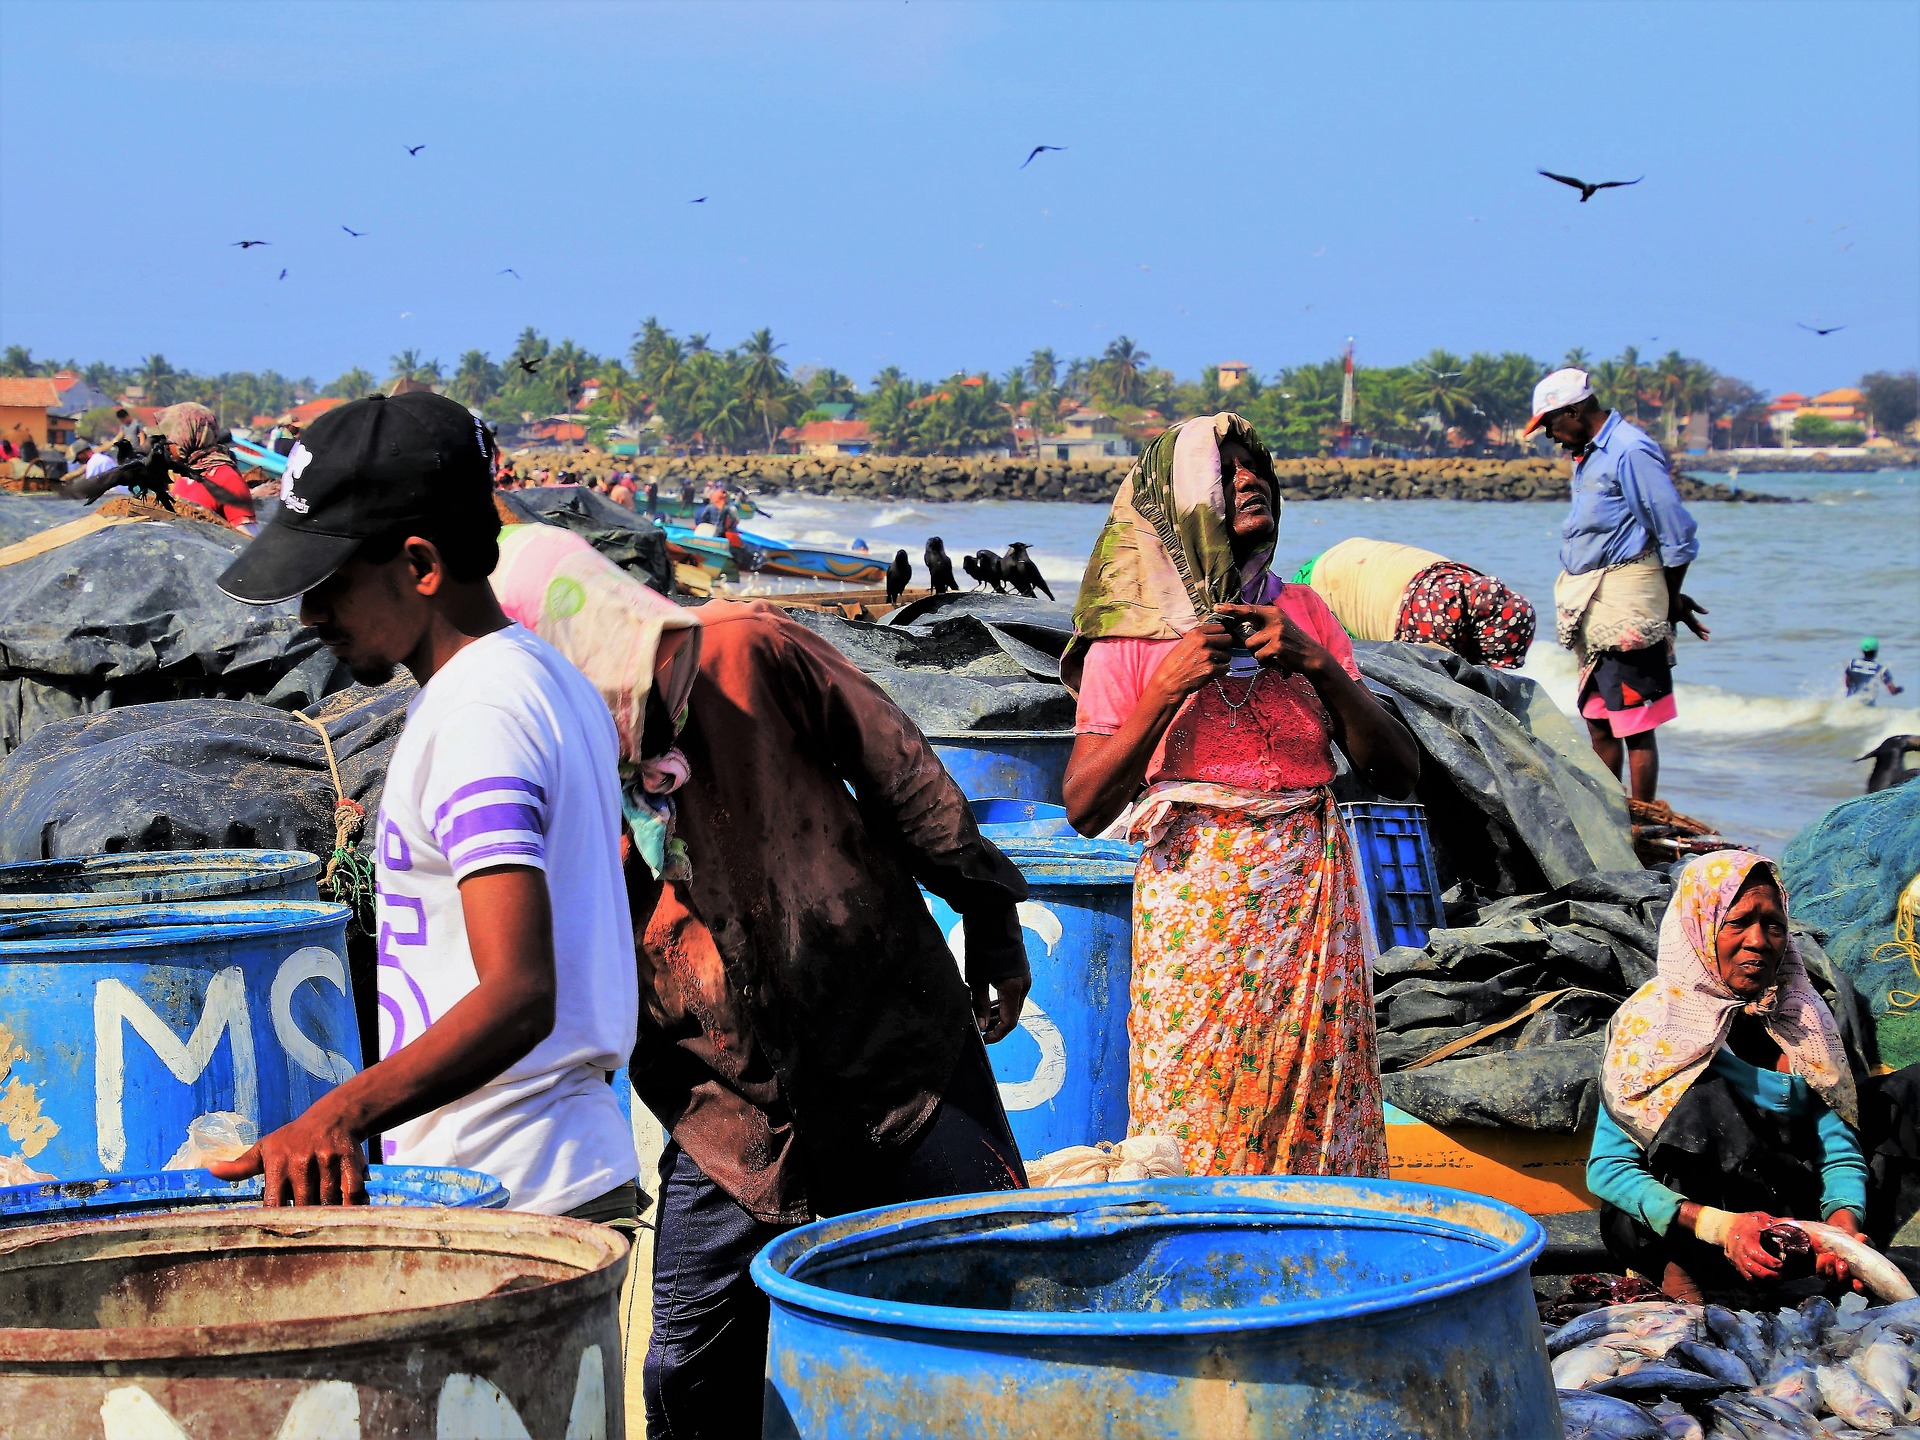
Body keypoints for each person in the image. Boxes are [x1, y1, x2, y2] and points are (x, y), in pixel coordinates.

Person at [492, 528, 1033, 1439]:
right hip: (730, 1103)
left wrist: (989, 914)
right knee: (686, 1375)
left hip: (892, 1040)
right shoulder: (552, 761)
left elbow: (903, 776)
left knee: (990, 1295)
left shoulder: (747, 647)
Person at [207, 392, 642, 1234]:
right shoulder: (544, 678)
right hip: (550, 1174)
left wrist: (338, 1116)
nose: (309, 613)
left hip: (515, 1196)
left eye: (329, 582)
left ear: (420, 565)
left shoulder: (479, 714)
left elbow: (520, 992)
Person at [1060, 413, 1420, 1179]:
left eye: (1256, 468)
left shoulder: (1309, 615)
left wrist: (1314, 663)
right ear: (1178, 505)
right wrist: (1166, 687)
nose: (1249, 481)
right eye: (1223, 475)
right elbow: (1086, 806)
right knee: (1194, 1102)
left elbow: (1398, 773)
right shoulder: (1130, 637)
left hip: (1310, 903)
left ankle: (1319, 1268)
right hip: (1197, 918)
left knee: (1320, 1099)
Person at [1589, 850, 1876, 1303]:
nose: (1759, 941)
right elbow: (1608, 1170)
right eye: (1738, 923)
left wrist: (1841, 1231)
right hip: (1692, 1226)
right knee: (1700, 1093)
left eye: (1774, 925)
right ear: (1700, 928)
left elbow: (1837, 1151)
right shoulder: (1651, 1030)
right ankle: (1682, 1273)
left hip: (1780, 1227)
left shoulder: (1803, 1024)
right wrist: (1722, 1228)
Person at [1531, 368, 1709, 804]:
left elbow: (1676, 531)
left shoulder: (1629, 450)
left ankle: (1644, 815)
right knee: (1599, 718)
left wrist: (1670, 599)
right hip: (1594, 603)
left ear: (1572, 411)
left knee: (1635, 723)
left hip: (1626, 604)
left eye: (1551, 424)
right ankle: (1610, 807)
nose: (1551, 436)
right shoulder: (1591, 453)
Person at [1296, 536, 1537, 669]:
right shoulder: (1434, 620)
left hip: (1351, 558)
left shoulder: (1475, 592)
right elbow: (1424, 685)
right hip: (1327, 581)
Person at [154, 402, 256, 529]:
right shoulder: (186, 476)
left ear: (188, 436)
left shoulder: (228, 480)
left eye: (170, 438)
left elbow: (247, 539)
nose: (165, 446)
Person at [1845, 638, 1904, 705]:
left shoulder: (1851, 664)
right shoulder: (1881, 670)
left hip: (1849, 704)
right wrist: (1899, 690)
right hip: (1867, 708)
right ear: (1876, 652)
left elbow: (1847, 683)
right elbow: (1892, 691)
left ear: (1862, 651)